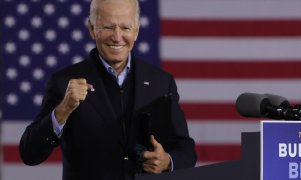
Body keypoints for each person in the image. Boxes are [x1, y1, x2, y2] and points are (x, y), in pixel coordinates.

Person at [19, 0, 197, 179]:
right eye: (108, 27)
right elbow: (29, 153)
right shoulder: (63, 82)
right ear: (91, 29)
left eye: (126, 28)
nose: (117, 37)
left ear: (136, 31)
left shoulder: (161, 82)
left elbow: (186, 151)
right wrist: (63, 109)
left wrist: (167, 161)